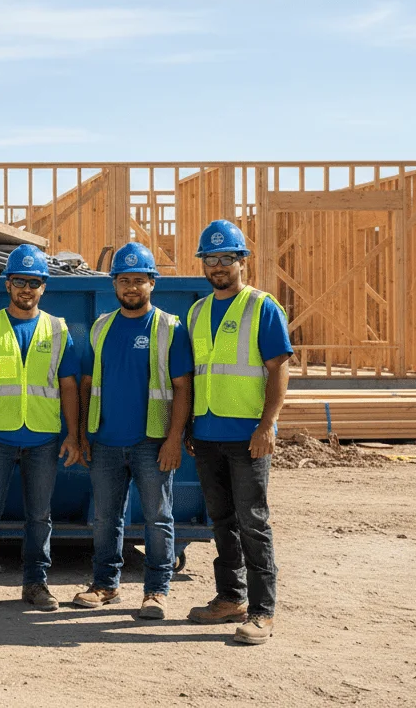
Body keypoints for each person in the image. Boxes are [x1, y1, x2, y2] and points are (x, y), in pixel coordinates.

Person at [70, 243, 193, 620]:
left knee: (158, 518)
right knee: (106, 518)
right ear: (114, 284)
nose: (132, 287)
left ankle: (156, 591)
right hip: (106, 441)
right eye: (125, 280)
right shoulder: (102, 326)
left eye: (139, 280)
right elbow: (88, 382)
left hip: (152, 443)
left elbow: (183, 387)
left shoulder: (169, 328)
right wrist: (82, 434)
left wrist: (173, 439)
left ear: (152, 283)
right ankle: (105, 585)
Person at [0, 244, 82, 612]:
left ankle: (36, 585)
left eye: (34, 282)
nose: (26, 289)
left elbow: (70, 386)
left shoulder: (58, 330)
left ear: (44, 286)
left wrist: (73, 435)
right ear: (7, 284)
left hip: (44, 439)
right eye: (19, 282)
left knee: (39, 517)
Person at [184, 220, 292, 646]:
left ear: (242, 261)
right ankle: (231, 598)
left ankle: (263, 612)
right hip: (208, 433)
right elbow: (195, 374)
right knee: (222, 520)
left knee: (253, 521)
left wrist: (267, 425)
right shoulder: (196, 311)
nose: (218, 266)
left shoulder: (262, 307)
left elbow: (278, 367)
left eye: (226, 258)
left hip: (248, 435)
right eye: (210, 259)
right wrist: (191, 425)